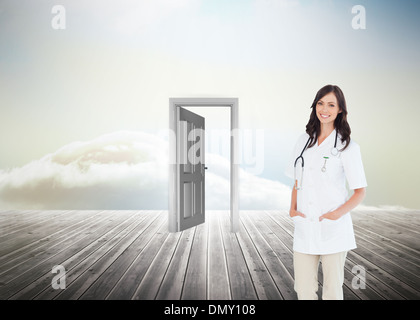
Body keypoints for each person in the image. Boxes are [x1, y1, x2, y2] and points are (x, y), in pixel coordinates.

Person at [285, 84, 367, 300]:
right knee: (303, 289)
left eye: (331, 104)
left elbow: (360, 191)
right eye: (321, 103)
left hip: (334, 229)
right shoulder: (304, 140)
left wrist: (334, 216)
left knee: (332, 291)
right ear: (315, 106)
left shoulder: (347, 146)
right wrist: (292, 209)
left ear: (340, 109)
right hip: (304, 226)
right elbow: (296, 180)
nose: (325, 109)